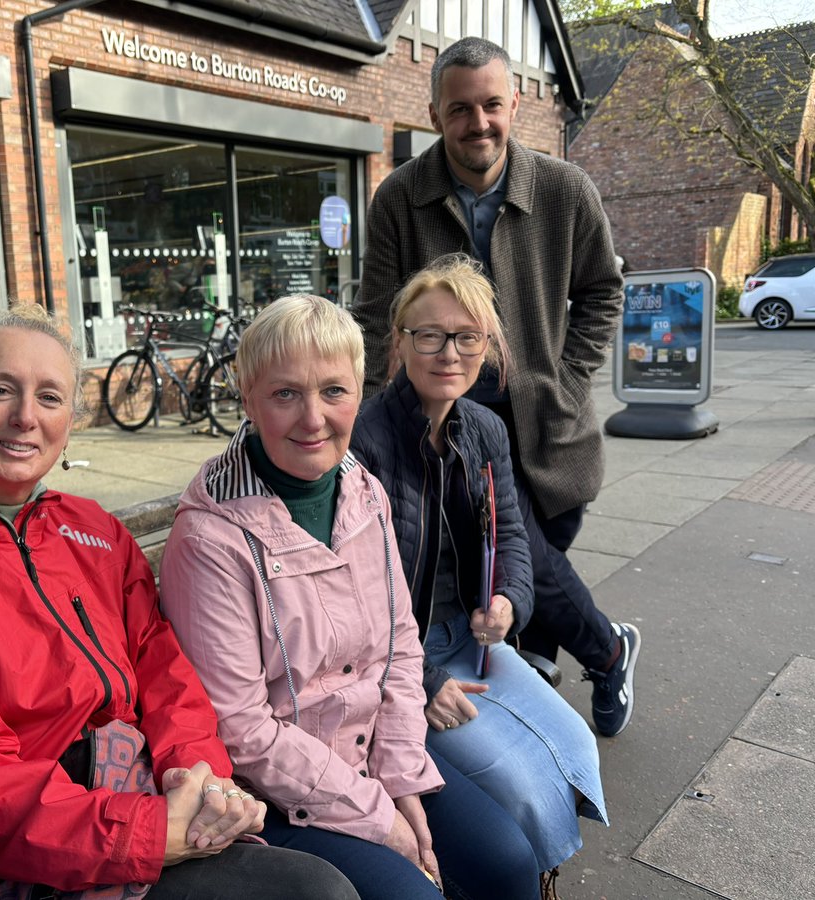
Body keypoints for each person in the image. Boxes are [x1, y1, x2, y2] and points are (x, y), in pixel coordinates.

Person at [0, 306, 357, 900]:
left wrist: (202, 780)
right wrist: (149, 832)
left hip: (147, 795)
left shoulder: (92, 530)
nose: (25, 417)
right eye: (1, 390)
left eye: (51, 397)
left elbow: (165, 674)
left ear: (71, 420)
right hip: (41, 849)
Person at [159, 295, 540, 900]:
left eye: (334, 391)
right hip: (278, 797)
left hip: (376, 754)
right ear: (248, 397)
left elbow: (397, 649)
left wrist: (402, 780)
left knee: (509, 861)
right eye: (286, 394)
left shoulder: (361, 490)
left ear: (359, 394)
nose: (314, 418)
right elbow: (242, 729)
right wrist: (377, 815)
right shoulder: (211, 537)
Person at [352, 36, 641, 737]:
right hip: (443, 424)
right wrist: (365, 408)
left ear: (513, 106)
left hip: (546, 432)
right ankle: (601, 656)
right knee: (510, 571)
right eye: (459, 109)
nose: (477, 123)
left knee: (523, 565)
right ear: (433, 114)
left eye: (491, 105)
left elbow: (603, 290)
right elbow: (374, 311)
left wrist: (564, 378)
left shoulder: (564, 189)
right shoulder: (398, 197)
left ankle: (589, 659)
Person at [351, 255, 609, 886]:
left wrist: (510, 602)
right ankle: (520, 881)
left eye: (468, 337)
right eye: (430, 335)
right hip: (403, 663)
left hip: (475, 641)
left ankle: (534, 877)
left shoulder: (485, 427)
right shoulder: (363, 440)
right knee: (518, 787)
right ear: (401, 343)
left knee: (575, 743)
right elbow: (350, 597)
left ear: (487, 345)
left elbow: (514, 535)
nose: (449, 352)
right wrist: (424, 678)